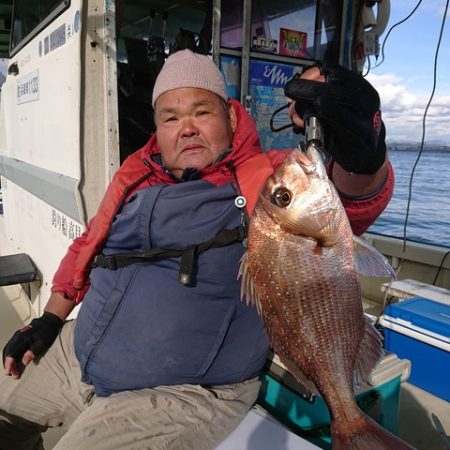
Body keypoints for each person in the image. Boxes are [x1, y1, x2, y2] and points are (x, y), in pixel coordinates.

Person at [0, 49, 393, 450]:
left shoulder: (265, 178)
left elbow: (355, 199)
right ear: (157, 128)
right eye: (171, 117)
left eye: (201, 113)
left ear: (230, 117)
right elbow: (88, 245)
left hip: (184, 391)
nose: (186, 128)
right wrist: (48, 320)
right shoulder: (136, 173)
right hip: (78, 351)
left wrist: (364, 148)